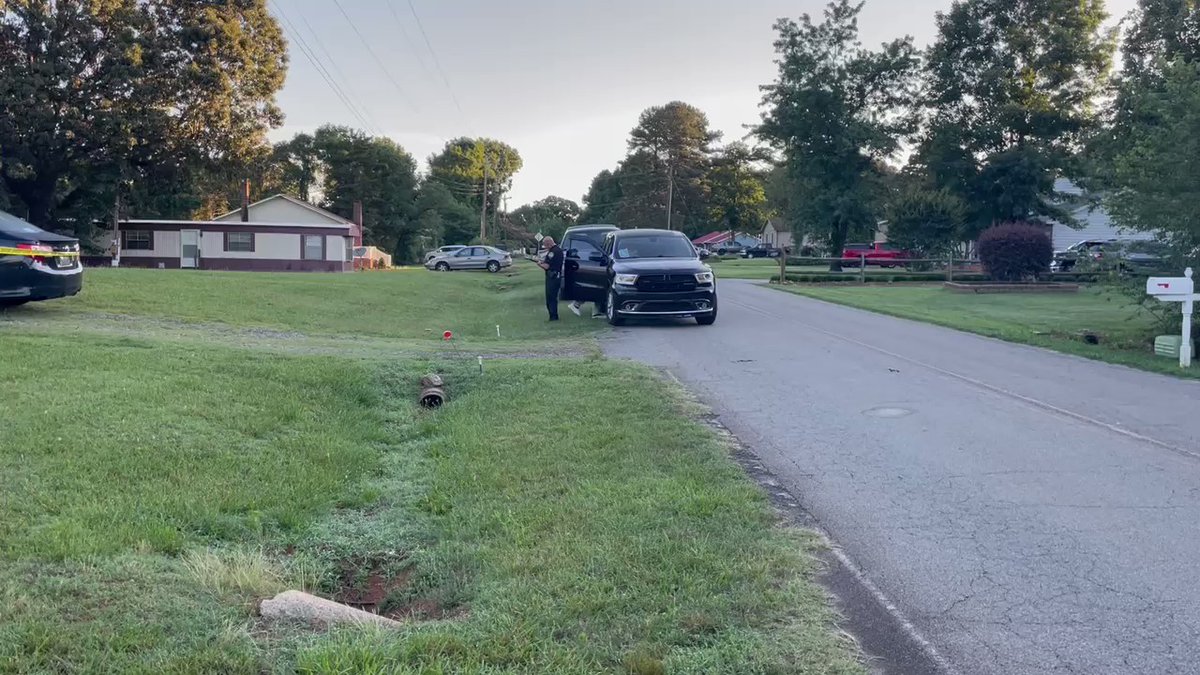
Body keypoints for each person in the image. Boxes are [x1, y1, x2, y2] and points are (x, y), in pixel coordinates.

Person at [537, 236, 564, 321]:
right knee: (554, 297)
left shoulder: (552, 252)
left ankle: (553, 316)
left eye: (545, 245)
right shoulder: (559, 250)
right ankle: (554, 315)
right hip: (557, 276)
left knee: (550, 297)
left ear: (548, 243)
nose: (545, 247)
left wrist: (539, 264)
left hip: (552, 277)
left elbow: (547, 266)